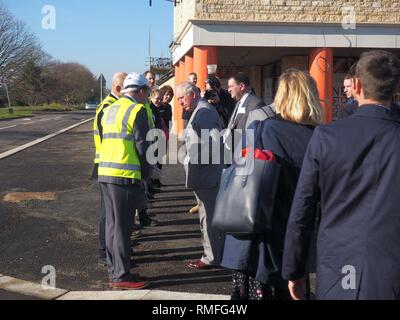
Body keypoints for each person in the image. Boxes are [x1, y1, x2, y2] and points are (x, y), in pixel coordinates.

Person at [282, 50, 400, 300]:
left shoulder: (326, 136)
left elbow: (302, 210)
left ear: (356, 85)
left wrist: (295, 269)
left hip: (338, 267)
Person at [221, 69, 324, 300]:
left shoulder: (262, 130)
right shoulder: (322, 137)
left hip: (259, 238)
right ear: (311, 97)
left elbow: (236, 175)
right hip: (297, 241)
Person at [98, 72, 152, 290]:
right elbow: (143, 147)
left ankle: (115, 270)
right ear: (139, 91)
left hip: (106, 173)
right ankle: (121, 275)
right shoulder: (136, 110)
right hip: (125, 175)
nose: (147, 97)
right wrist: (146, 175)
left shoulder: (110, 108)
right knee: (122, 227)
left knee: (112, 226)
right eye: (146, 92)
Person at [176, 81, 225, 270]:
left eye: (182, 98)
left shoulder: (204, 112)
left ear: (193, 95)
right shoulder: (201, 110)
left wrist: (188, 159)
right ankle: (213, 254)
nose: (179, 102)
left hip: (207, 176)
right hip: (205, 175)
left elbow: (212, 144)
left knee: (209, 217)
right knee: (208, 215)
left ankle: (211, 257)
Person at [92, 72, 127, 267]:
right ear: (118, 88)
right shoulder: (108, 107)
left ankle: (108, 250)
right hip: (107, 163)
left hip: (109, 162)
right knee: (108, 212)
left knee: (112, 212)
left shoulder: (111, 105)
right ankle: (104, 251)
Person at [225, 73, 265, 156]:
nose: (228, 90)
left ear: (242, 86)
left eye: (231, 86)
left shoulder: (256, 104)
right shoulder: (239, 102)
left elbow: (255, 136)